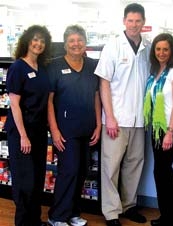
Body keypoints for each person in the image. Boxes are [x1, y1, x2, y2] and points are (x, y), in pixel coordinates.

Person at [94, 3, 151, 226]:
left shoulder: (147, 49)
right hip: (116, 120)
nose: (134, 25)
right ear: (124, 21)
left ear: (143, 23)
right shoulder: (113, 46)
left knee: (135, 164)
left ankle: (128, 206)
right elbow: (104, 83)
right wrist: (110, 116)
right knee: (111, 166)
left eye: (138, 21)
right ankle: (111, 212)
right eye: (130, 20)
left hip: (139, 120)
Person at [47, 25, 101, 226]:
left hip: (87, 129)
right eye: (71, 41)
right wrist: (54, 129)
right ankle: (57, 216)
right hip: (65, 130)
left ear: (85, 42)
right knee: (68, 171)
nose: (76, 44)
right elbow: (49, 100)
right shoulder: (54, 65)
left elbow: (97, 96)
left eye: (79, 40)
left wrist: (98, 125)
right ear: (65, 43)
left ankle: (72, 213)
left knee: (81, 171)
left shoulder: (92, 65)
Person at [5, 25, 52, 226]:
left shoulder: (41, 69)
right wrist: (23, 135)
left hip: (39, 131)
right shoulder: (18, 67)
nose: (38, 43)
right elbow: (14, 104)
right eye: (35, 39)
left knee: (37, 179)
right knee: (25, 182)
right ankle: (24, 222)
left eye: (42, 40)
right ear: (27, 41)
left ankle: (34, 220)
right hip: (21, 132)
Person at [143, 33, 173, 226]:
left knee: (163, 171)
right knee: (160, 172)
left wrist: (169, 132)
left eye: (165, 49)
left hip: (170, 129)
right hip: (156, 128)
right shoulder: (155, 71)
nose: (161, 53)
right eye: (158, 49)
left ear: (172, 51)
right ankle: (168, 216)